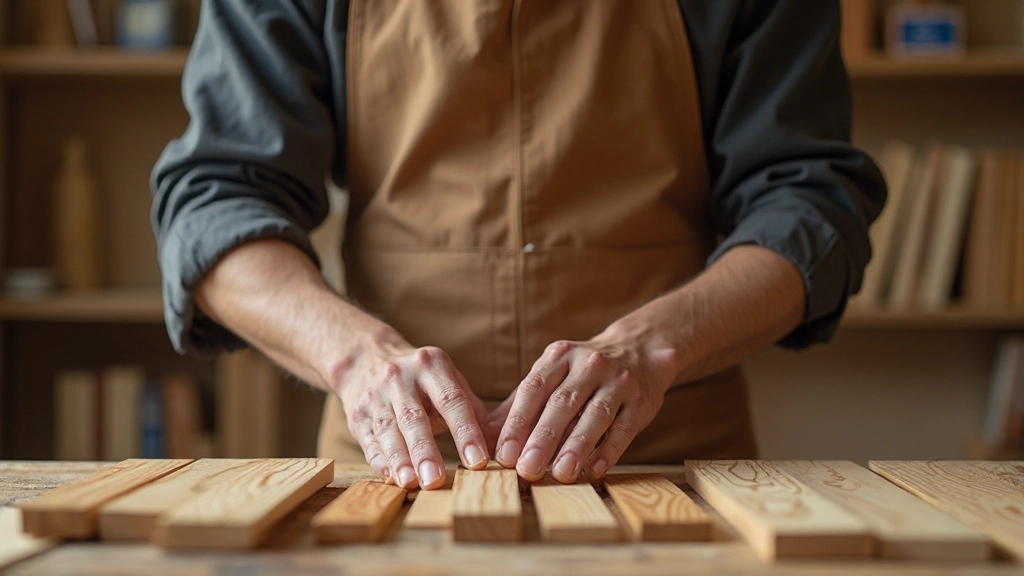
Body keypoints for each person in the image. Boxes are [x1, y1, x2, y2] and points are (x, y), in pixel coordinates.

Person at [152, 0, 886, 491]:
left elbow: (810, 202)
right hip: (396, 470)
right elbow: (217, 199)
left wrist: (654, 348)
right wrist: (353, 356)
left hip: (666, 462)